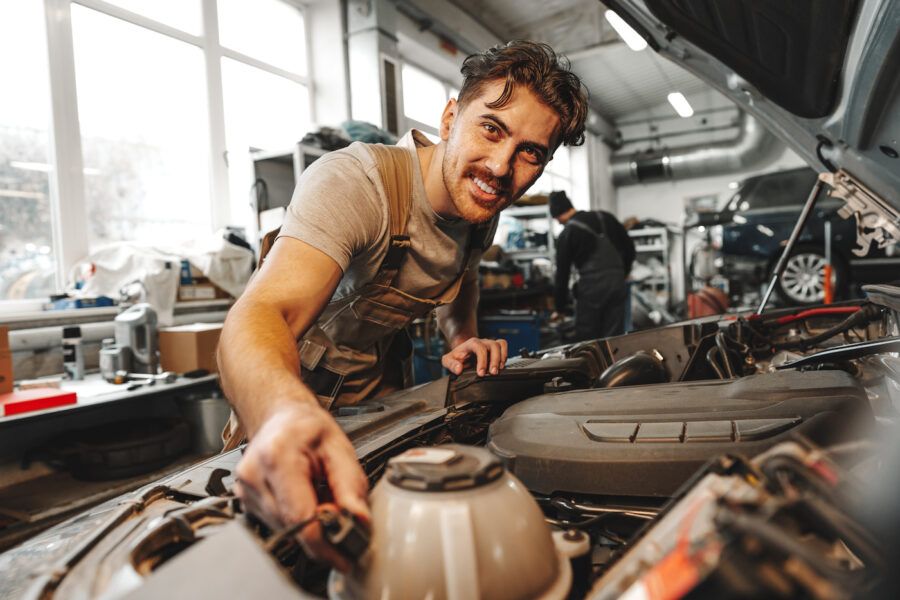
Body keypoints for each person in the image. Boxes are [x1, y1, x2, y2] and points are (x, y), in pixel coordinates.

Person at [217, 41, 589, 569]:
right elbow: (258, 315)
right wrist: (281, 416)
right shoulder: (358, 182)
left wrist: (463, 339)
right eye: (492, 128)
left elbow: (463, 281)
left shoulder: (482, 210)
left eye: (531, 152)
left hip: (381, 396)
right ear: (450, 116)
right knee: (274, 558)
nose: (502, 166)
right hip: (287, 396)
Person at [549, 190, 635, 340]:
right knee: (615, 338)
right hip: (617, 284)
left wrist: (559, 307)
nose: (558, 222)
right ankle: (615, 364)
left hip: (592, 288)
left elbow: (562, 274)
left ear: (557, 215)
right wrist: (624, 272)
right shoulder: (606, 217)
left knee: (588, 340)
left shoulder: (568, 233)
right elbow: (630, 248)